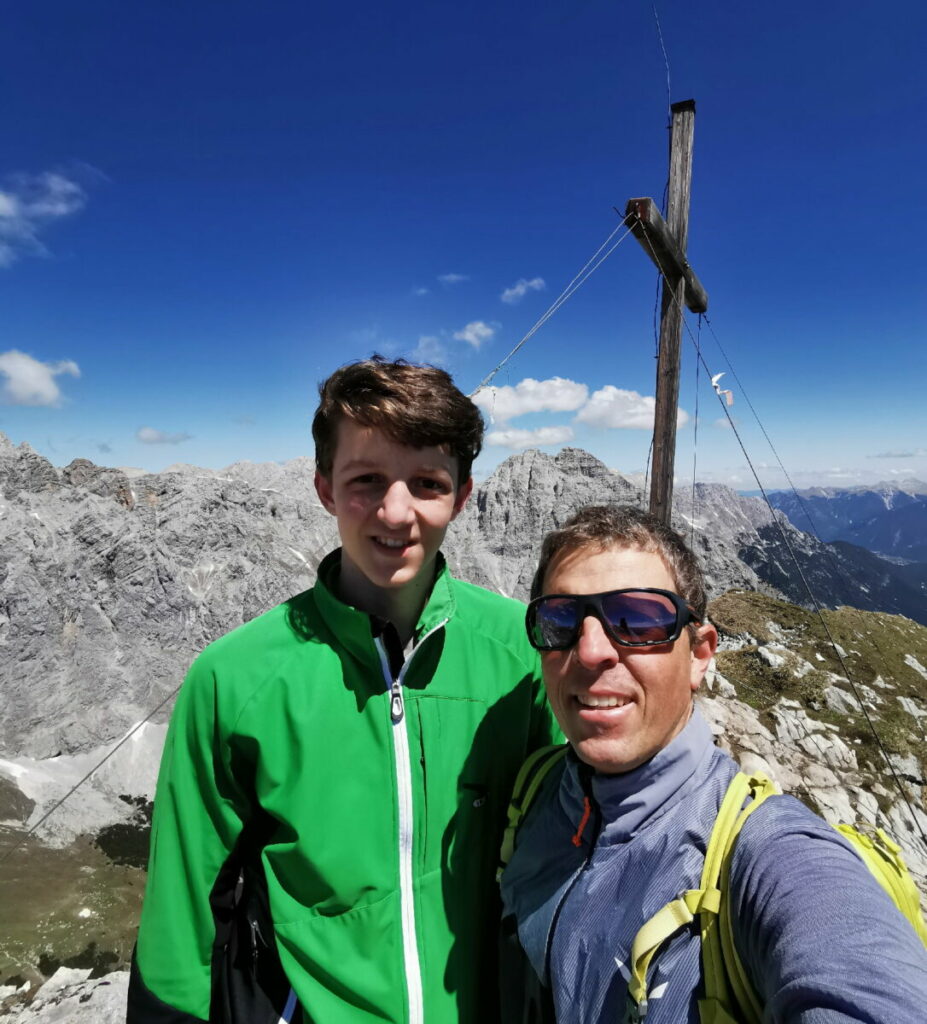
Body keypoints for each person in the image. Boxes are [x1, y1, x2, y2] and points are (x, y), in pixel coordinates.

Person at [127, 356, 560, 1024]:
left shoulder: (522, 654)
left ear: (463, 495)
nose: (396, 512)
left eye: (425, 482)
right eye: (365, 481)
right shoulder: (232, 677)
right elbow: (181, 922)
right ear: (325, 488)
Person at [500, 504, 927, 1023]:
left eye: (637, 620)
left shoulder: (768, 856)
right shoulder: (533, 792)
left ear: (700, 653)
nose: (591, 651)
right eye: (561, 620)